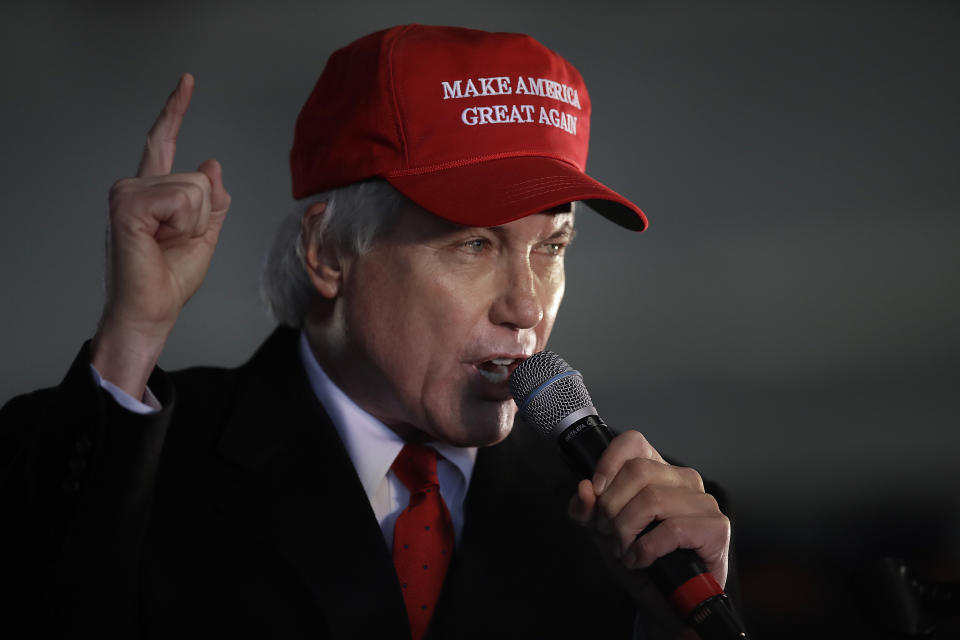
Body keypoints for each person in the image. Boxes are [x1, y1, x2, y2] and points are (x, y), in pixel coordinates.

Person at [0, 25, 737, 639]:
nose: (525, 305)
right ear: (327, 253)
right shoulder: (135, 463)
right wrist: (131, 337)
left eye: (552, 247)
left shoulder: (649, 529)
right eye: (472, 244)